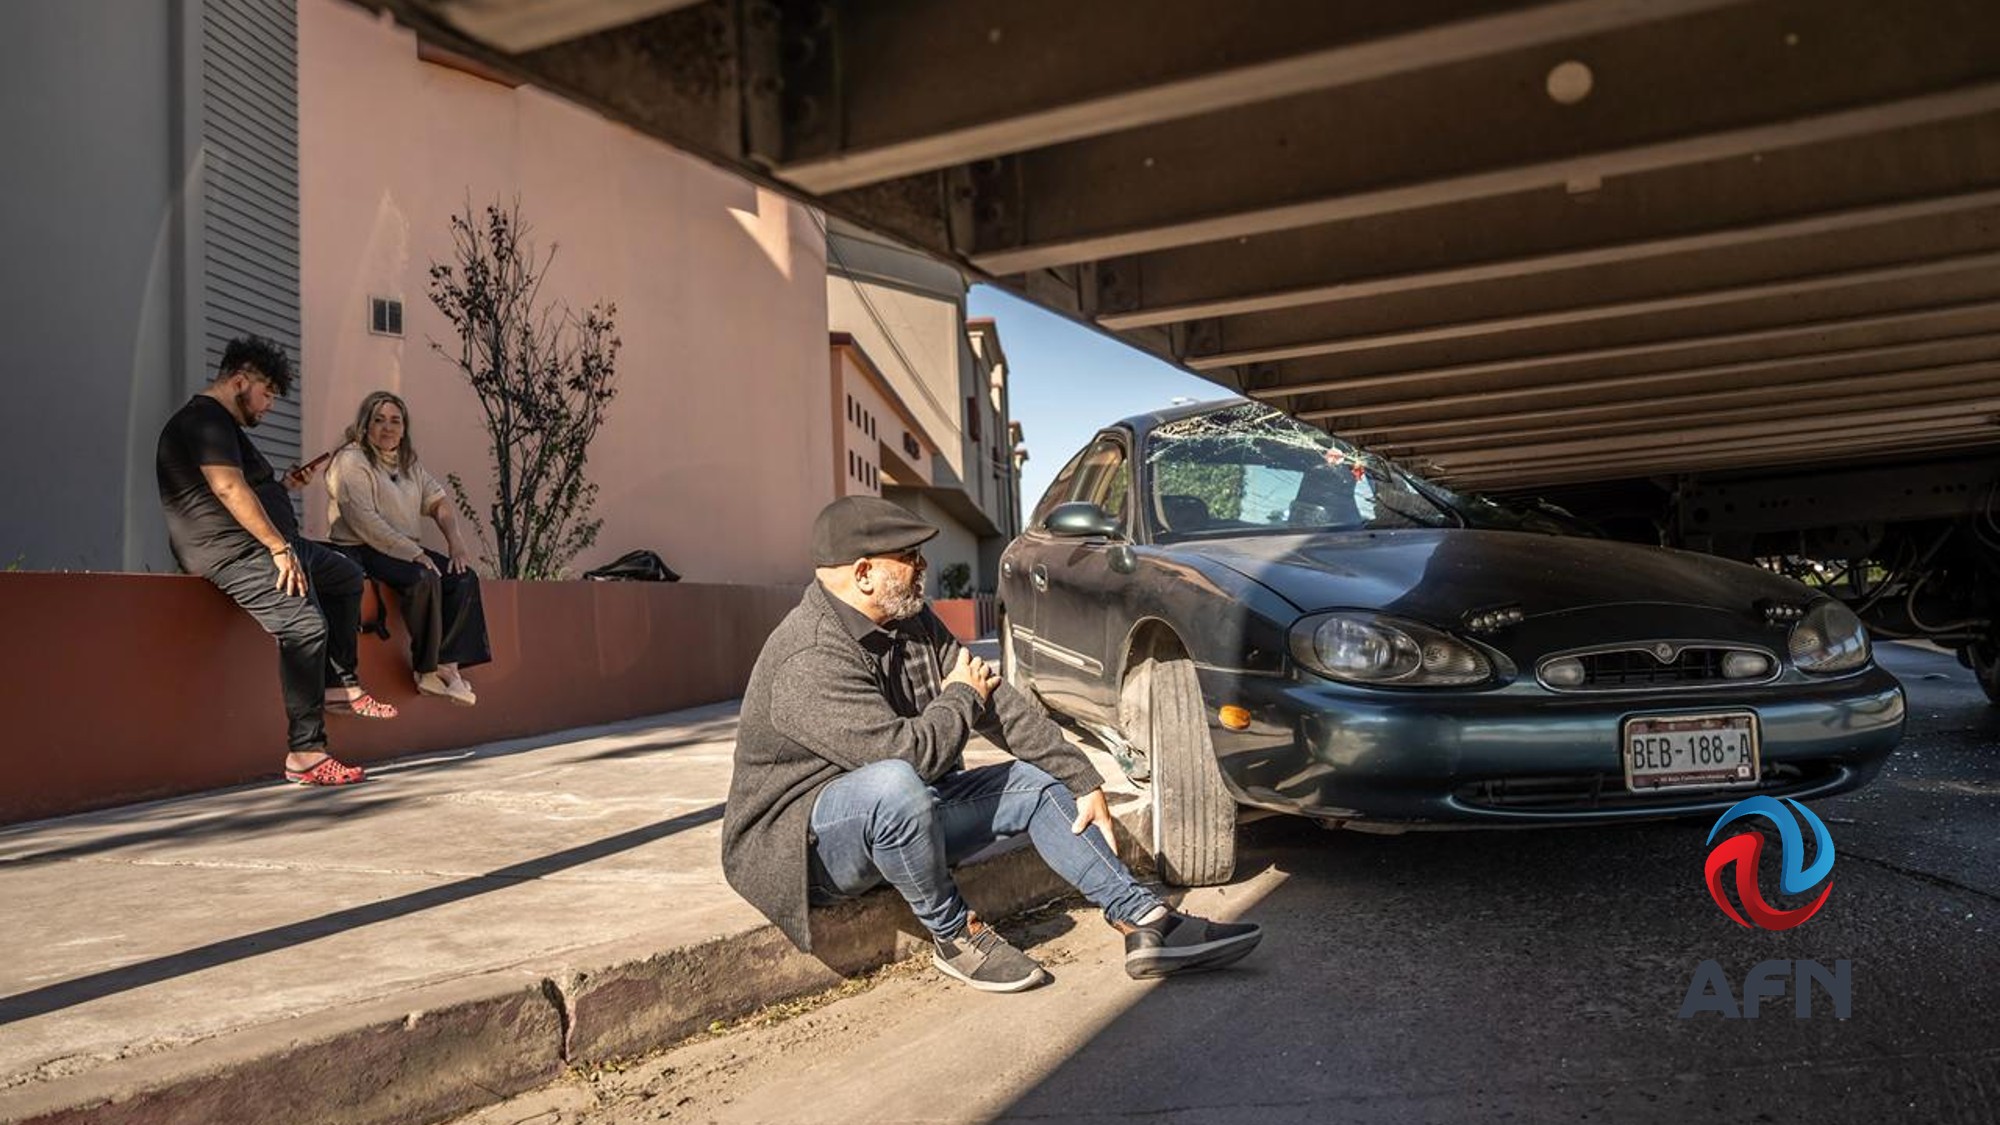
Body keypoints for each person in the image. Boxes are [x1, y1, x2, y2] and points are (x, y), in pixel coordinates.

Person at [722, 496, 1262, 992]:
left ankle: (1144, 920)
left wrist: (1081, 777)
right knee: (895, 783)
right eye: (909, 556)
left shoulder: (910, 624)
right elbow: (911, 754)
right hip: (807, 845)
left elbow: (996, 703)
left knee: (1036, 786)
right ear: (864, 574)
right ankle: (954, 935)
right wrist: (960, 694)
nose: (923, 568)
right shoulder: (809, 657)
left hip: (903, 811)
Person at [155, 335, 392, 789]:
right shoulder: (204, 420)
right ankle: (306, 753)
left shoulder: (224, 427)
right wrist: (278, 548)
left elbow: (247, 486)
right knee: (304, 627)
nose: (267, 407)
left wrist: (283, 485)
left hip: (268, 543)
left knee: (346, 575)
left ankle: (336, 685)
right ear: (240, 380)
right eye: (266, 395)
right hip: (234, 552)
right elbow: (227, 489)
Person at [325, 390, 490, 705]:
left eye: (396, 421)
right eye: (379, 420)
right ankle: (425, 670)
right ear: (365, 425)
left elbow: (438, 502)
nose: (388, 428)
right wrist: (414, 553)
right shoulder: (350, 460)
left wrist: (456, 543)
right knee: (423, 577)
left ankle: (448, 665)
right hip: (362, 546)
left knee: (462, 577)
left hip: (401, 548)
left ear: (404, 428)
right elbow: (364, 522)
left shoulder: (408, 463)